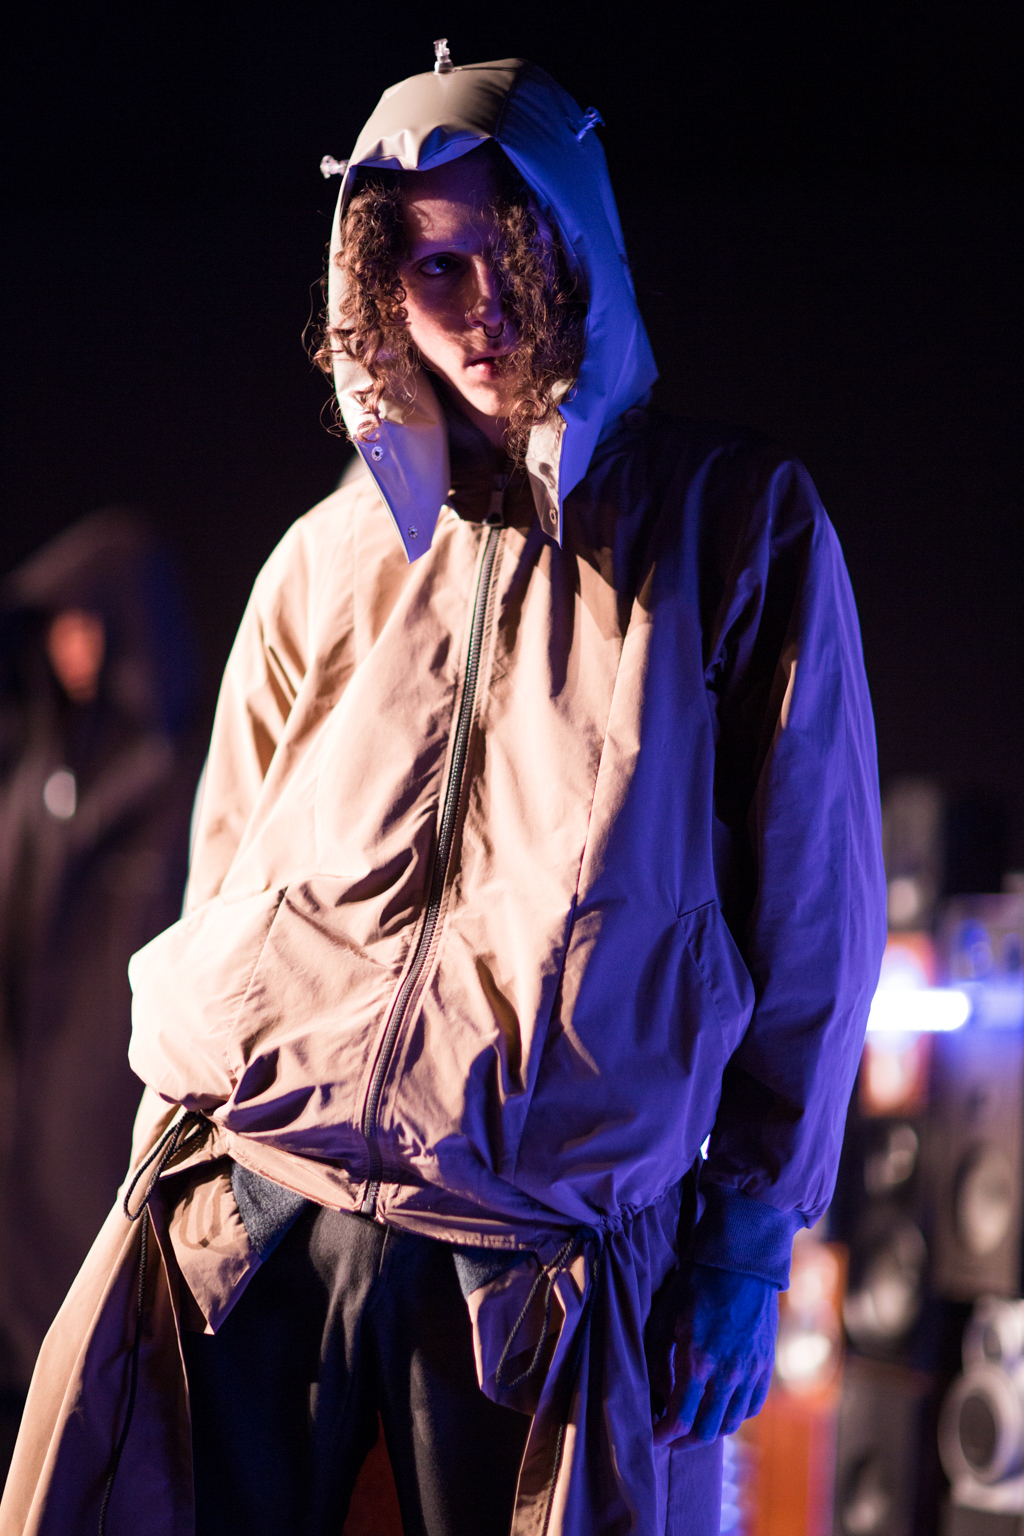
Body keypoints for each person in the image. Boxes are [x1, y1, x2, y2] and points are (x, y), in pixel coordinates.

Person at [0, 51, 886, 1536]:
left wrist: (747, 1241)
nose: (479, 308)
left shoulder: (730, 528)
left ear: (578, 246)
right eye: (431, 266)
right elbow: (225, 875)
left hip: (528, 1258)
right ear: (374, 286)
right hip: (255, 1225)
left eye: (508, 253)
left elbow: (814, 913)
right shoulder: (328, 558)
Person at [0, 510, 198, 1482]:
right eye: (56, 627)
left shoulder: (179, 786)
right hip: (26, 1132)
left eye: (90, 622)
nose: (70, 647)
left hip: (112, 1127)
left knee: (102, 1394)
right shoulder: (38, 775)